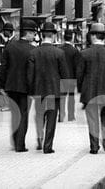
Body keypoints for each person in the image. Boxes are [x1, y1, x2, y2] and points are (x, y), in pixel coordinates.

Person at [76, 22, 105, 154]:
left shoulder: (84, 54)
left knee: (92, 119)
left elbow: (79, 75)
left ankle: (94, 146)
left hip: (89, 92)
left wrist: (80, 90)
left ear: (94, 36)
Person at [0, 19, 36, 152]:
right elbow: (32, 72)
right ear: (28, 33)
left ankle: (14, 140)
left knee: (14, 114)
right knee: (23, 115)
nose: (34, 36)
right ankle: (20, 144)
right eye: (33, 33)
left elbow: (4, 67)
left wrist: (1, 85)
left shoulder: (10, 47)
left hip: (11, 86)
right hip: (26, 88)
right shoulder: (32, 50)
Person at [28, 22, 67, 154]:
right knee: (51, 119)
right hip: (53, 92)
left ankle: (39, 136)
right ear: (54, 36)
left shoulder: (33, 52)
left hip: (38, 91)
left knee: (39, 116)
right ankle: (48, 146)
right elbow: (64, 75)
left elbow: (30, 75)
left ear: (41, 35)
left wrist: (31, 90)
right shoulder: (59, 53)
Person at [58, 30, 81, 123]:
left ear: (64, 38)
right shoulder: (75, 51)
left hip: (61, 77)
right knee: (71, 97)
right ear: (72, 38)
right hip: (72, 77)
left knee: (62, 97)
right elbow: (77, 66)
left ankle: (61, 115)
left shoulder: (59, 49)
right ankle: (71, 116)